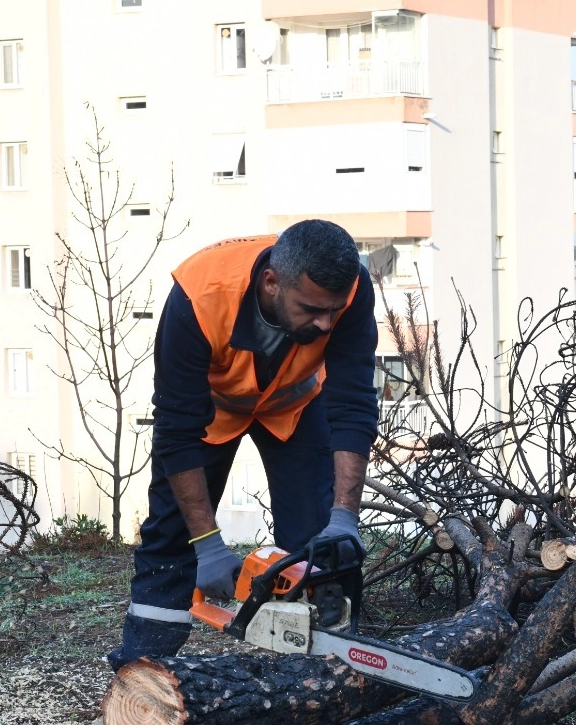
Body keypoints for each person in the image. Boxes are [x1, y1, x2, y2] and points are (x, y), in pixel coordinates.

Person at [107, 219, 379, 670]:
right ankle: (142, 671)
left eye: (333, 311)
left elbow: (352, 404)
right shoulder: (198, 297)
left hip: (296, 405)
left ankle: (324, 675)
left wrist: (345, 516)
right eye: (312, 309)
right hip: (213, 412)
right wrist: (208, 545)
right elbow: (175, 432)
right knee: (172, 538)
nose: (326, 322)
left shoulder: (348, 289)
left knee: (321, 545)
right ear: (271, 283)